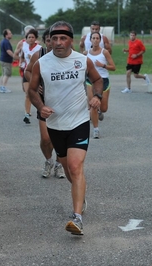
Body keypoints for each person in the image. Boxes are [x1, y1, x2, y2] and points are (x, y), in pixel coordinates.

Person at [28, 21, 103, 236]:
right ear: (49, 40)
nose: (58, 43)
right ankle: (80, 194)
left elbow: (97, 80)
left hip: (79, 121)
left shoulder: (82, 61)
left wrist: (97, 97)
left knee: (75, 165)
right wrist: (40, 107)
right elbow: (32, 90)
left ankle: (76, 218)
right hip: (55, 124)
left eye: (63, 38)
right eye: (54, 38)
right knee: (69, 171)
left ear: (71, 39)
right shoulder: (41, 64)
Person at [25, 29, 66, 179]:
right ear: (45, 42)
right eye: (48, 40)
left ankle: (59, 164)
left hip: (62, 102)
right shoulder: (39, 55)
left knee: (60, 138)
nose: (51, 43)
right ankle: (48, 160)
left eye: (53, 40)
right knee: (46, 139)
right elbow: (27, 72)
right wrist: (35, 84)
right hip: (43, 102)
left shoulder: (65, 54)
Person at [84, 32, 116, 139]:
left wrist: (102, 65)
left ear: (100, 40)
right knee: (93, 103)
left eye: (97, 38)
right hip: (90, 80)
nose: (96, 40)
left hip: (104, 80)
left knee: (104, 108)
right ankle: (96, 129)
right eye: (93, 38)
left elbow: (113, 67)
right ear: (91, 40)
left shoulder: (104, 52)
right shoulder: (86, 53)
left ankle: (99, 111)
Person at [19, 29, 41, 124]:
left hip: (36, 73)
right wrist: (21, 62)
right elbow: (22, 56)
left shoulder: (39, 48)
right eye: (29, 37)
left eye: (33, 37)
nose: (31, 39)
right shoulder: (24, 47)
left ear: (35, 38)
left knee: (38, 94)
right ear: (26, 39)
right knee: (28, 93)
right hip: (26, 72)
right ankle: (26, 114)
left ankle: (41, 110)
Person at [0, 29, 17, 93]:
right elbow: (8, 51)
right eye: (10, 33)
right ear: (6, 35)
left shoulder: (3, 41)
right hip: (6, 61)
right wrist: (14, 56)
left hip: (2, 60)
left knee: (4, 74)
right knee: (7, 74)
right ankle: (3, 87)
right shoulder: (6, 42)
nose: (11, 34)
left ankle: (1, 86)